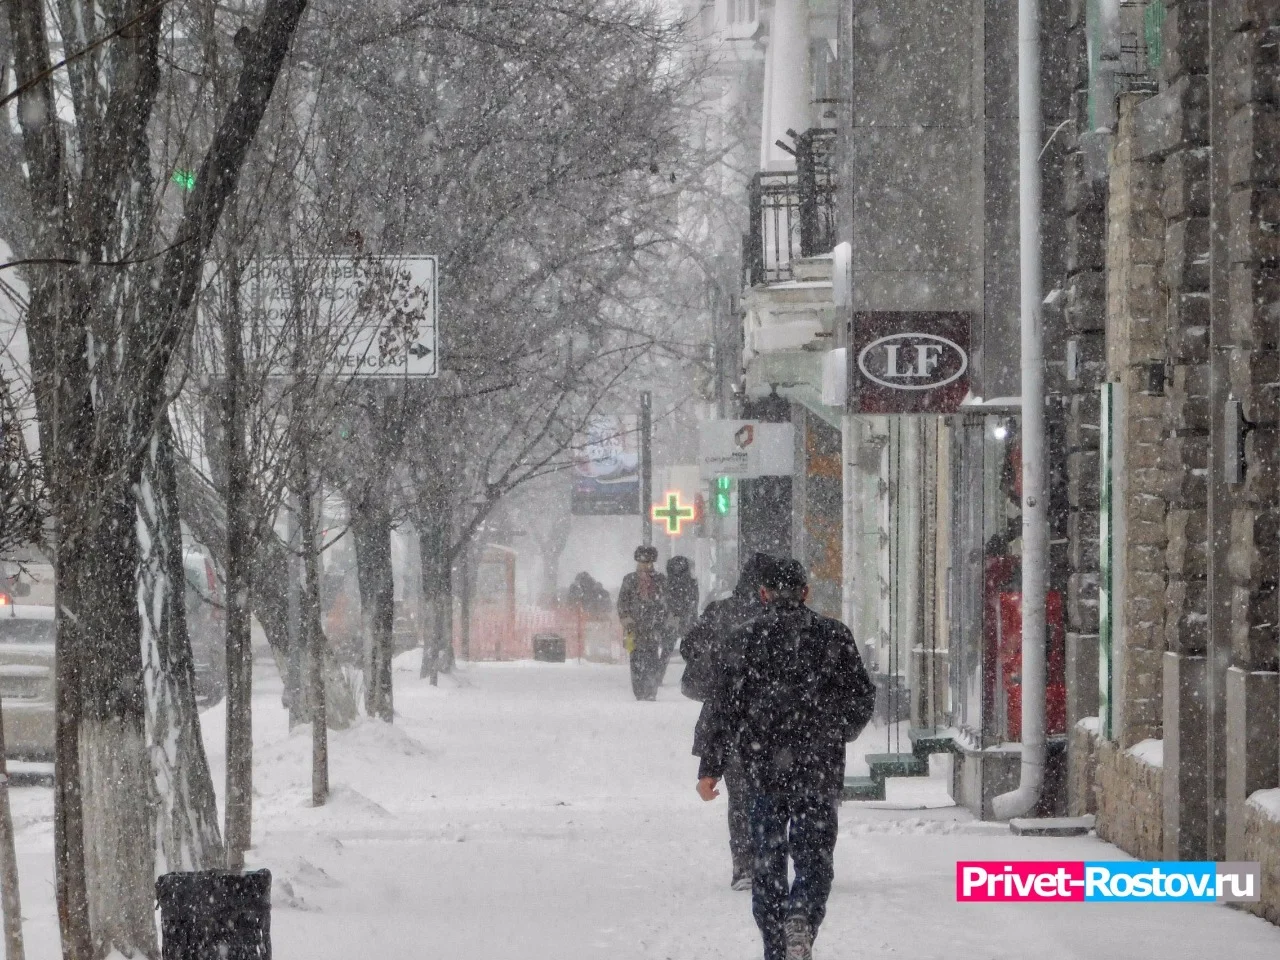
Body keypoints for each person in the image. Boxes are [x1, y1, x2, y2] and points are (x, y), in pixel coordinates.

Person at [696, 558, 876, 960]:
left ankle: (777, 948)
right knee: (814, 857)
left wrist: (711, 767)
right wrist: (836, 729)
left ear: (763, 594)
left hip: (763, 769)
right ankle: (802, 916)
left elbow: (723, 709)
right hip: (818, 767)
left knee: (768, 865)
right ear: (806, 592)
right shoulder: (834, 636)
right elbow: (862, 696)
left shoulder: (744, 639)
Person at [681, 552, 769, 890]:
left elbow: (689, 647)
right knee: (773, 794)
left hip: (730, 719)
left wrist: (716, 657)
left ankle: (744, 865)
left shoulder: (720, 612)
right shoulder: (776, 616)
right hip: (774, 720)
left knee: (740, 795)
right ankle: (768, 860)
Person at [616, 545, 667, 700]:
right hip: (634, 627)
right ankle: (639, 691)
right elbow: (622, 602)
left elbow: (665, 603)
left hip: (653, 627)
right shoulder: (630, 579)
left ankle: (651, 691)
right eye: (641, 562)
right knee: (636, 658)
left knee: (652, 658)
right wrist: (627, 619)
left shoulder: (660, 580)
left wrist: (661, 621)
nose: (644, 565)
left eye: (647, 562)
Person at [657, 555, 698, 685]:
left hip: (672, 618)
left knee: (667, 650)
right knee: (692, 651)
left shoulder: (667, 582)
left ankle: (658, 677)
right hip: (685, 618)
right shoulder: (691, 583)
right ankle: (694, 679)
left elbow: (666, 601)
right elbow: (693, 601)